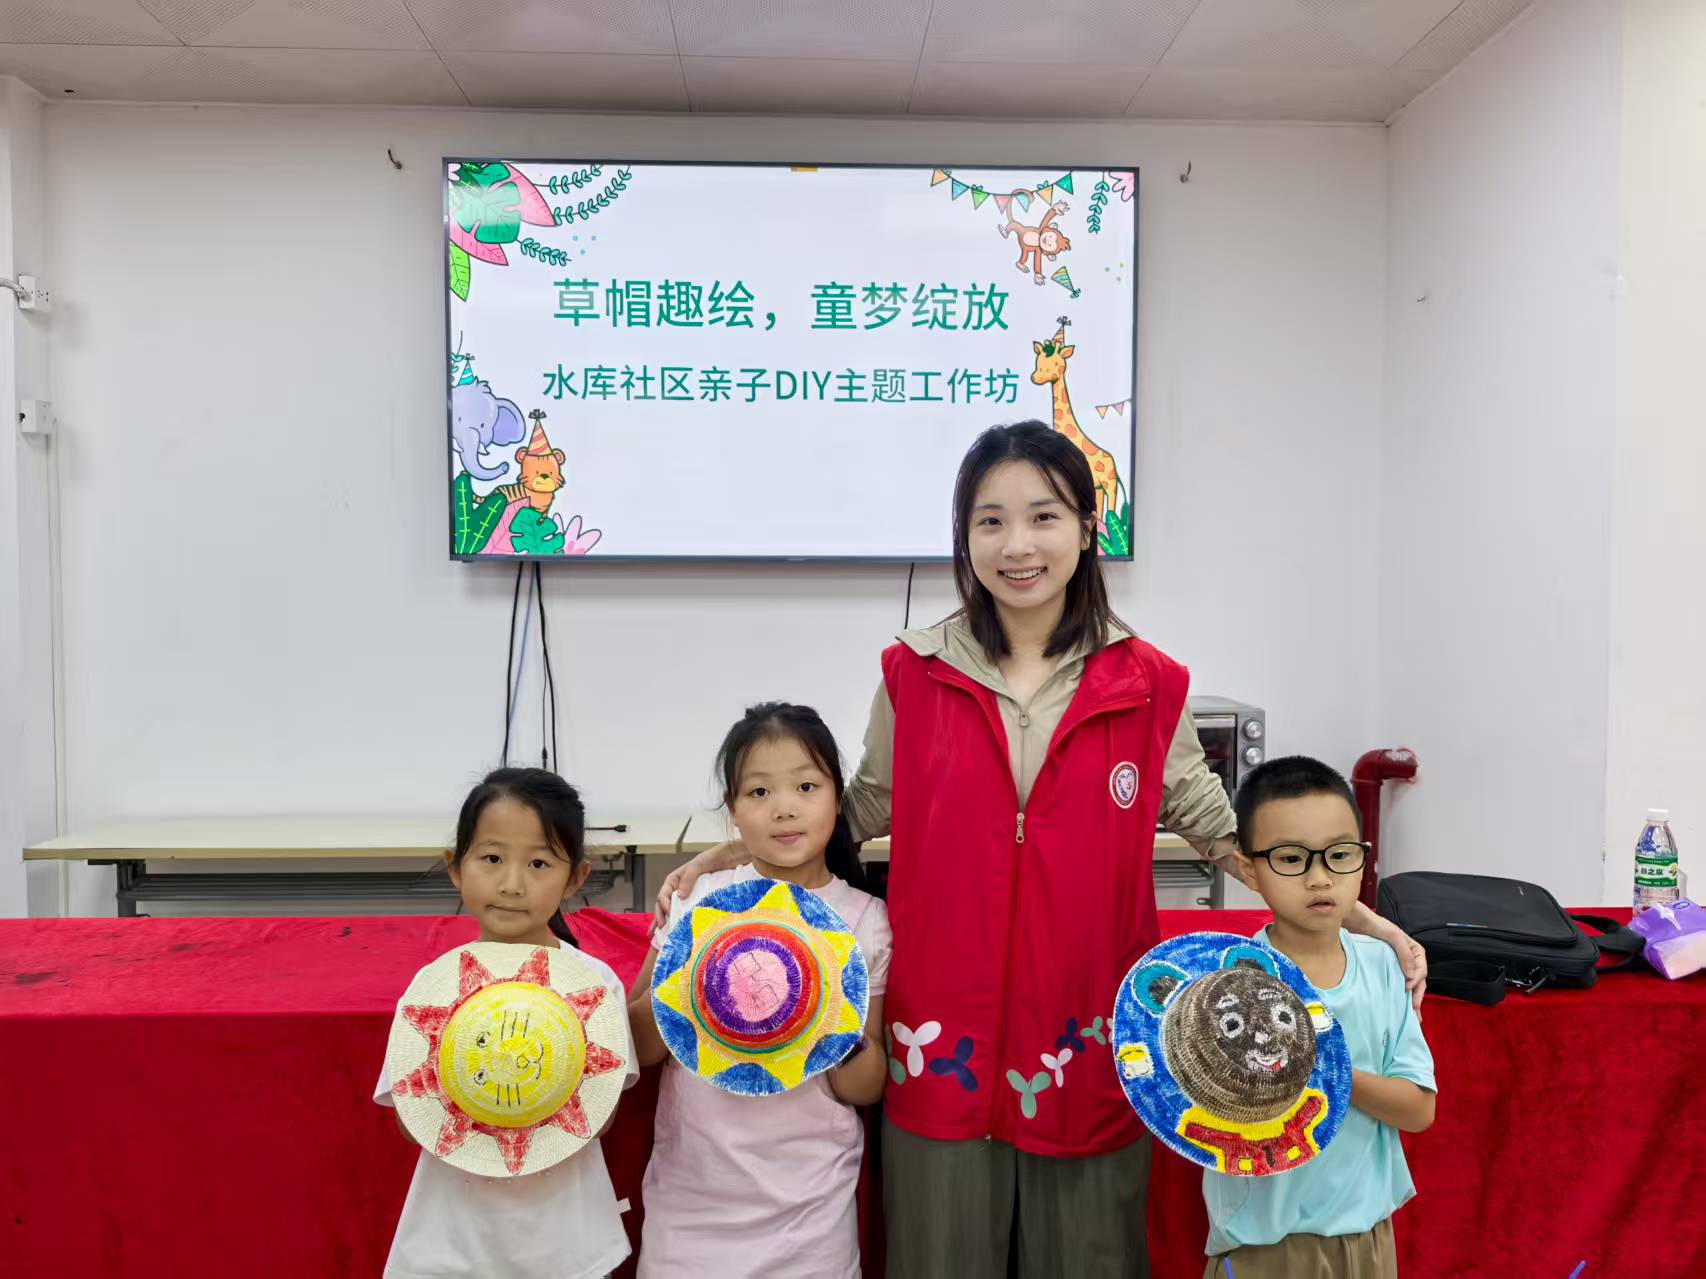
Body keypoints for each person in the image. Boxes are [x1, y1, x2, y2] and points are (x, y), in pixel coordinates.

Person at [658, 423, 1426, 1277]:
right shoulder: (914, 673)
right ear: (965, 536)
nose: (1017, 545)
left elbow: (1226, 832)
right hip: (940, 1046)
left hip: (1091, 1040)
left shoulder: (1149, 683)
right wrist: (729, 855)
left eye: (1043, 516)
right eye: (990, 521)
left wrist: (1360, 917)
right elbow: (858, 807)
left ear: (1088, 528)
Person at [629, 703, 891, 1278]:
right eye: (759, 792)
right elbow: (639, 1047)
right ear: (733, 809)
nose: (784, 808)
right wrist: (687, 980)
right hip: (691, 1200)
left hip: (810, 1211)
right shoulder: (700, 900)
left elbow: (865, 1088)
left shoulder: (863, 920)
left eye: (806, 786)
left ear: (837, 798)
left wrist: (832, 1018)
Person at [375, 768, 638, 1279]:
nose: (512, 884)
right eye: (492, 859)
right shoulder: (433, 988)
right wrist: (473, 1091)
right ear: (456, 866)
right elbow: (410, 1120)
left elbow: (599, 1117)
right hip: (453, 1242)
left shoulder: (593, 985)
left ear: (576, 878)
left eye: (538, 863)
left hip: (565, 1244)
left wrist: (533, 1091)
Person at [1202, 755, 1435, 1278]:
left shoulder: (1383, 968)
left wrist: (1324, 1069)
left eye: (1339, 855)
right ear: (1248, 869)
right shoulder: (1230, 984)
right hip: (1265, 1247)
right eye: (1290, 858)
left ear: (1363, 860)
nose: (1319, 878)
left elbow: (1419, 1109)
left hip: (1367, 1238)